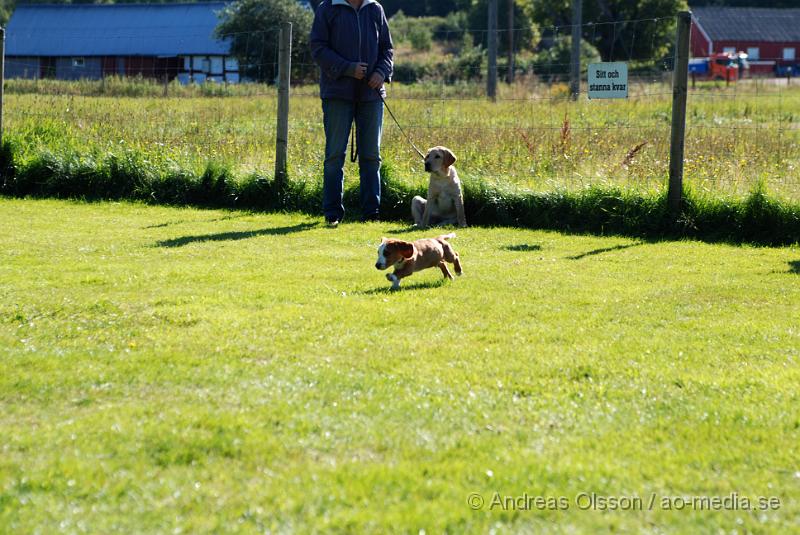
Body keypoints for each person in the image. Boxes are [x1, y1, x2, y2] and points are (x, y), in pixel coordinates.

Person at [309, 0, 394, 226]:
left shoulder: (375, 9)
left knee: (371, 156)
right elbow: (318, 47)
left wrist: (381, 72)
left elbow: (388, 49)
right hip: (337, 93)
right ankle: (333, 213)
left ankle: (371, 213)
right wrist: (348, 68)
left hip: (372, 95)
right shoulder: (327, 8)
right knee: (335, 156)